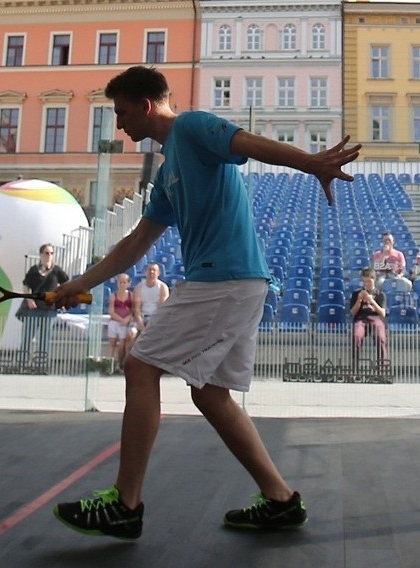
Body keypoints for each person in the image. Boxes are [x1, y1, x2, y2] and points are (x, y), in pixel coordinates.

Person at [49, 65, 360, 539]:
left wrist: (310, 161)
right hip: (235, 282)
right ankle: (280, 499)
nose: (119, 124)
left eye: (122, 112)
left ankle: (125, 504)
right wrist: (77, 282)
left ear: (146, 106)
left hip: (224, 280)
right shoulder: (170, 166)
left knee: (139, 366)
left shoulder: (192, 128)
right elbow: (135, 244)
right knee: (210, 394)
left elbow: (248, 143)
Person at [21, 243, 69, 363]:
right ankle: (22, 361)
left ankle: (41, 362)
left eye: (51, 253)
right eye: (46, 253)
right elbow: (25, 286)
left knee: (45, 337)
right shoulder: (33, 270)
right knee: (28, 335)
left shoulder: (56, 270)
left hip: (50, 308)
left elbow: (67, 283)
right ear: (41, 255)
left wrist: (60, 297)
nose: (49, 256)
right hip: (34, 307)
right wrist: (29, 299)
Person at [349, 267, 388, 373]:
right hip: (361, 319)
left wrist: (372, 302)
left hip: (375, 319)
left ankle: (382, 369)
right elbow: (352, 312)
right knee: (356, 336)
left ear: (374, 279)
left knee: (381, 338)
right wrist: (359, 300)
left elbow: (383, 313)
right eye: (365, 281)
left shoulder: (380, 294)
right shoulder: (357, 293)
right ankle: (355, 368)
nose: (367, 284)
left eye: (369, 281)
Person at [106, 273, 138, 372]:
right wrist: (120, 319)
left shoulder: (131, 296)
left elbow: (134, 310)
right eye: (120, 282)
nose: (122, 284)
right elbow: (111, 311)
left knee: (122, 345)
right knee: (112, 343)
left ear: (128, 284)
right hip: (115, 322)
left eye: (124, 282)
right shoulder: (113, 296)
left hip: (125, 323)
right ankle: (108, 366)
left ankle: (120, 364)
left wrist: (127, 319)